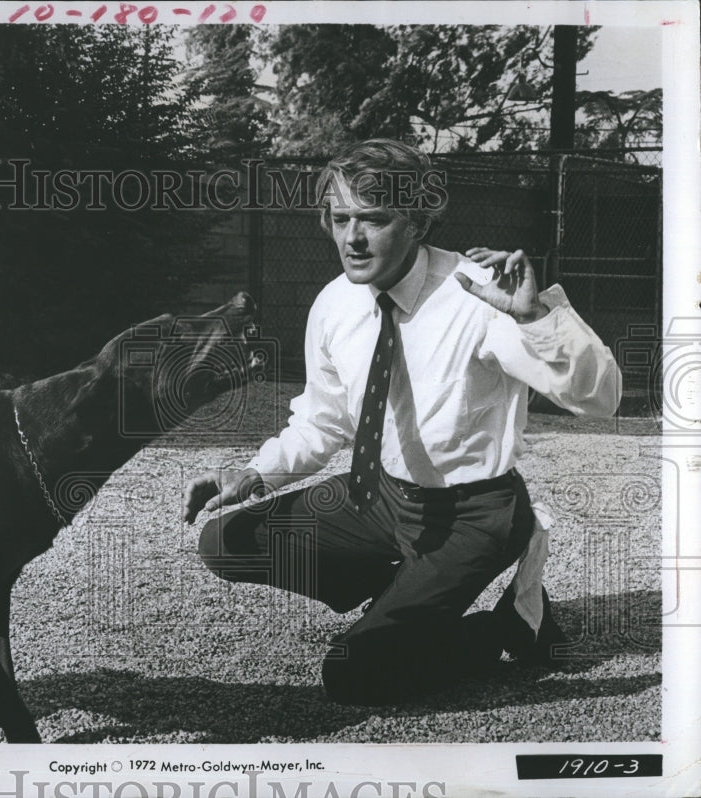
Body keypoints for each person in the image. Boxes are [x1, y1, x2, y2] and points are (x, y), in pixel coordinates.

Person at [182, 139, 621, 705]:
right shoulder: (335, 303)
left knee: (356, 676)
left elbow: (601, 398)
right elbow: (324, 419)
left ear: (417, 222)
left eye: (375, 219)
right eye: (340, 219)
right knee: (228, 540)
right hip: (381, 498)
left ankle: (507, 624)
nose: (353, 238)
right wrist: (252, 472)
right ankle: (405, 596)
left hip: (472, 514)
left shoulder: (478, 296)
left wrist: (536, 316)